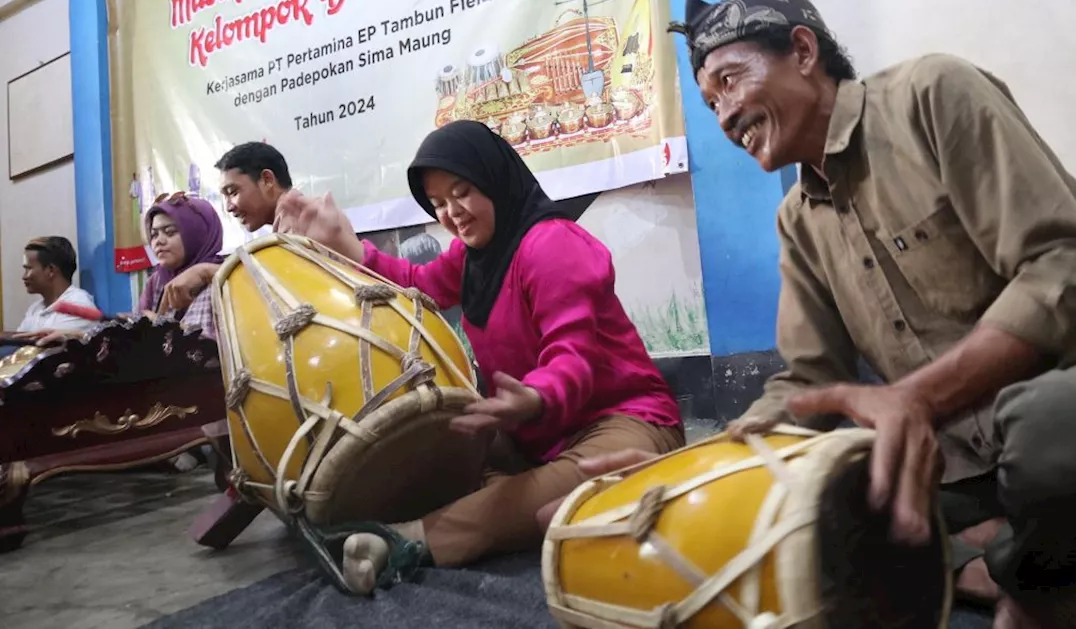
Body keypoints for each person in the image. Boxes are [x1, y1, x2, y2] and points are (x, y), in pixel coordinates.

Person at [552, 0, 1076, 629]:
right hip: (975, 477)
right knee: (821, 524)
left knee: (1051, 425)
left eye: (730, 81)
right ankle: (1060, 582)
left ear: (803, 51)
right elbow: (805, 382)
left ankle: (1056, 584)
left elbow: (1069, 266)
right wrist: (680, 470)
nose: (726, 114)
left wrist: (915, 399)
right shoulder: (800, 219)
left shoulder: (932, 95)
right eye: (710, 104)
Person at [276, 120, 685, 593]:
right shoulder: (473, 257)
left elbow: (574, 355)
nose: (453, 213)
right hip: (533, 431)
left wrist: (533, 397)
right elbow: (418, 283)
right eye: (439, 204)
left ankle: (408, 539)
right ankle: (513, 507)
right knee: (442, 437)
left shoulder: (553, 244)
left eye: (462, 192)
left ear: (493, 178)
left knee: (539, 494)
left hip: (622, 420)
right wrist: (345, 245)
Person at [156, 141, 298, 313]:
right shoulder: (291, 223)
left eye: (233, 192)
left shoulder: (305, 220)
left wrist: (206, 271)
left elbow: (287, 289)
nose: (228, 207)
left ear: (267, 180)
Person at [137, 193, 224, 339]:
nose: (159, 241)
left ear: (197, 234)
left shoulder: (224, 277)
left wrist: (164, 328)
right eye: (154, 235)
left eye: (170, 232)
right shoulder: (156, 281)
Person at [13, 237, 101, 339]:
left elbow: (49, 351)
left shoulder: (79, 306)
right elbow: (18, 343)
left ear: (51, 270)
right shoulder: (35, 309)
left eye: (29, 268)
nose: (24, 276)